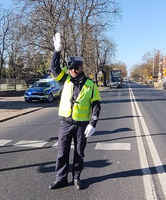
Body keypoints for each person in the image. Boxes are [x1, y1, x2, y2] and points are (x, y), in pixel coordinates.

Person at [49, 33, 101, 190]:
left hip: (81, 125)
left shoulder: (91, 84)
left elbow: (97, 104)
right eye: (71, 68)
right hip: (66, 123)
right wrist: (56, 52)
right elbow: (54, 68)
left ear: (82, 67)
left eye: (75, 68)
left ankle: (77, 177)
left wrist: (93, 123)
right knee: (61, 152)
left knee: (79, 153)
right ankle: (61, 178)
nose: (73, 70)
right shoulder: (65, 78)